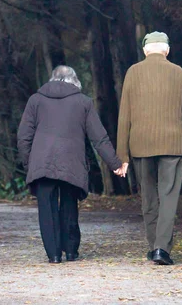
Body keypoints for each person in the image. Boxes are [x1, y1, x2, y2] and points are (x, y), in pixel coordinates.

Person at [17, 65, 126, 264]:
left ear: (52, 79)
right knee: (69, 205)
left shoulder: (36, 100)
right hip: (71, 162)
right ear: (74, 81)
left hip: (42, 162)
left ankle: (54, 255)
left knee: (47, 209)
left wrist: (28, 164)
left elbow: (24, 137)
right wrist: (115, 164)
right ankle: (71, 250)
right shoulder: (83, 102)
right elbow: (99, 138)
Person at [115, 31, 182, 266]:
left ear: (145, 50)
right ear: (167, 50)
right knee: (168, 197)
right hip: (174, 144)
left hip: (140, 145)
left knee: (149, 197)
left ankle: (154, 247)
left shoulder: (133, 72)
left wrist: (123, 155)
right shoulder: (178, 72)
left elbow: (124, 117)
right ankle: (162, 248)